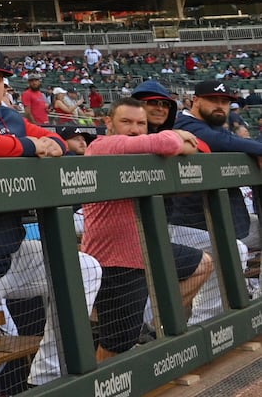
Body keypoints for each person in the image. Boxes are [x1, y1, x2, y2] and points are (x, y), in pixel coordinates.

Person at [0, 47, 101, 396]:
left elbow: (53, 137)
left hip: (11, 254)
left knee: (84, 268)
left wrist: (50, 143)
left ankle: (47, 376)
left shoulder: (10, 117)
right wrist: (29, 145)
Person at [82, 99, 210, 360]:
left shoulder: (143, 152)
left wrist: (179, 141)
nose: (134, 129)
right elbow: (171, 144)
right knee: (116, 344)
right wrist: (179, 136)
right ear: (108, 123)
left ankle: (150, 324)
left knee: (203, 264)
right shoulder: (102, 145)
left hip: (145, 249)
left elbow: (202, 150)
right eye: (126, 122)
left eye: (141, 123)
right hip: (114, 259)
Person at [172, 79, 262, 322]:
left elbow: (230, 141)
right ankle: (206, 323)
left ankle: (255, 299)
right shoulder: (184, 124)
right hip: (186, 227)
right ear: (196, 100)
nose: (220, 106)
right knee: (233, 249)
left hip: (220, 221)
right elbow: (223, 143)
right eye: (214, 100)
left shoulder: (216, 129)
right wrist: (256, 149)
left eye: (225, 102)